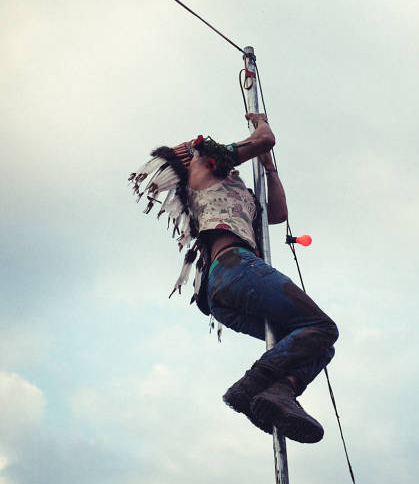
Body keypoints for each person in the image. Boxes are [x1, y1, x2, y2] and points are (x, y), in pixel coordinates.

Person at [129, 113, 338, 444]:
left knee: (318, 346)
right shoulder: (201, 170)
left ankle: (280, 392)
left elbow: (278, 212)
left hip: (228, 290)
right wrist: (261, 126)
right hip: (234, 268)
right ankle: (252, 387)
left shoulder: (236, 191)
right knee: (324, 327)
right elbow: (264, 139)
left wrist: (268, 166)